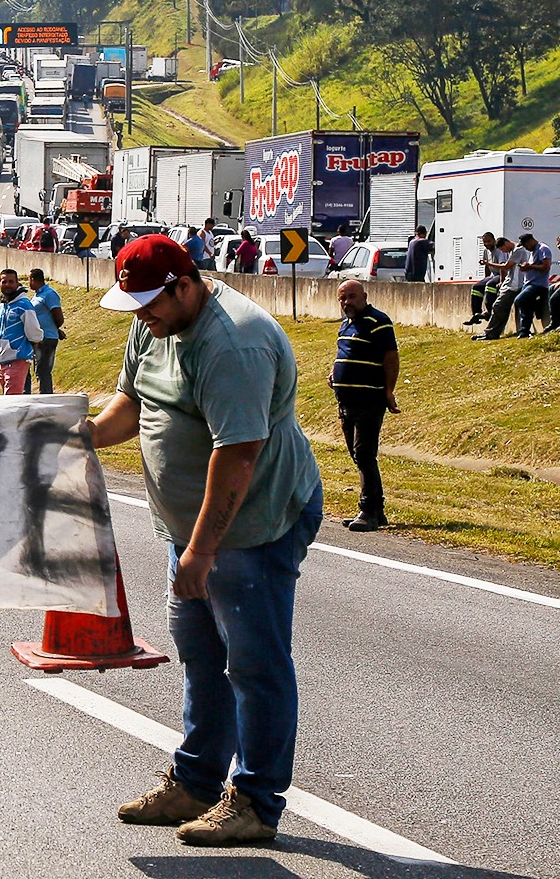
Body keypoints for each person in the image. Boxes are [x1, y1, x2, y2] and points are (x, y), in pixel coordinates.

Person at [92, 234, 321, 847]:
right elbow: (130, 406)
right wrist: (80, 434)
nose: (142, 316)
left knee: (254, 663)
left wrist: (201, 552)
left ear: (185, 283)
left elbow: (238, 454)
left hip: (251, 526)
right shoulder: (155, 324)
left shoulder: (233, 343)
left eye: (150, 304)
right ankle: (195, 784)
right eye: (135, 306)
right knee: (200, 654)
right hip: (191, 528)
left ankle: (255, 801)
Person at [329, 280, 399, 532]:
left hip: (369, 399)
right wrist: (335, 373)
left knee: (364, 454)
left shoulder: (378, 321)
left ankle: (368, 510)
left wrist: (389, 390)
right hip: (345, 400)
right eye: (342, 298)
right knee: (357, 454)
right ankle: (377, 511)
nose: (347, 302)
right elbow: (346, 354)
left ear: (364, 296)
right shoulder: (346, 324)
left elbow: (390, 356)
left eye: (352, 297)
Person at [0, 269, 42, 395]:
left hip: (17, 360)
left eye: (11, 282)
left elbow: (34, 333)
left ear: (17, 284)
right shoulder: (2, 306)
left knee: (12, 401)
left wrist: (29, 350)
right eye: (4, 282)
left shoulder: (24, 305)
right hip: (3, 360)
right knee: (7, 400)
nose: (7, 285)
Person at [473, 238, 524, 341]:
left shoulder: (518, 250)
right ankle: (492, 332)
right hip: (509, 284)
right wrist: (502, 281)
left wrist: (488, 264)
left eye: (503, 249)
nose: (503, 252)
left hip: (514, 286)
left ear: (507, 244)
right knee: (500, 308)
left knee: (498, 307)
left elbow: (505, 266)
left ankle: (491, 333)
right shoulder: (513, 251)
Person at [25, 268, 65, 394]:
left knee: (43, 369)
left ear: (33, 279)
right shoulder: (37, 295)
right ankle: (43, 394)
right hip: (39, 337)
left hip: (47, 338)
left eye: (29, 279)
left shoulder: (49, 294)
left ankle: (46, 396)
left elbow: (58, 317)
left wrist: (55, 329)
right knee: (39, 370)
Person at [511, 233, 553, 338]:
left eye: (525, 245)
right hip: (529, 283)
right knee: (524, 305)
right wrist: (526, 267)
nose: (525, 248)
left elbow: (546, 267)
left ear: (530, 241)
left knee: (520, 300)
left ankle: (526, 327)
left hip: (538, 284)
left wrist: (530, 267)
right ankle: (524, 331)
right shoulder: (533, 251)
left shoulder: (543, 249)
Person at [466, 232, 503, 325]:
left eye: (489, 241)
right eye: (485, 242)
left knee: (490, 285)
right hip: (493, 275)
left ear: (494, 240)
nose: (487, 244)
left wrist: (501, 281)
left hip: (502, 275)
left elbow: (503, 267)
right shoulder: (486, 251)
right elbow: (486, 267)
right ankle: (476, 314)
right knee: (476, 287)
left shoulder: (499, 250)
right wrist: (485, 278)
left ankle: (489, 312)